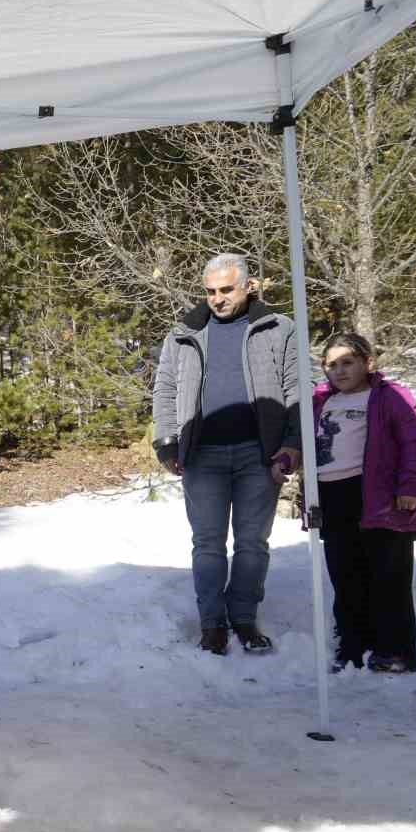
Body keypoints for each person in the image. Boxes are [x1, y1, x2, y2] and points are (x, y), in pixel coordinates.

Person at [152, 253, 302, 656]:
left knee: (253, 543)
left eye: (225, 290)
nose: (216, 299)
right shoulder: (185, 332)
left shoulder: (277, 328)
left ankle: (244, 619)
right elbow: (165, 387)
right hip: (202, 456)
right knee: (208, 544)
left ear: (248, 286)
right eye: (210, 291)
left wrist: (292, 444)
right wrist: (167, 441)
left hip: (259, 454)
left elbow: (296, 389)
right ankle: (212, 624)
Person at [311, 333, 416, 673]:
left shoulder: (387, 397)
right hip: (333, 498)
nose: (339, 370)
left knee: (387, 576)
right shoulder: (320, 401)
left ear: (368, 363)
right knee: (345, 575)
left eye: (347, 362)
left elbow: (415, 443)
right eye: (331, 364)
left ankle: (395, 651)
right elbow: (303, 443)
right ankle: (352, 648)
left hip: (379, 496)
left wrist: (411, 485)